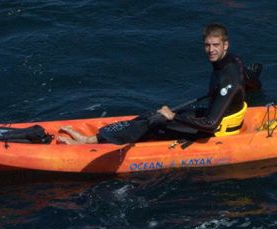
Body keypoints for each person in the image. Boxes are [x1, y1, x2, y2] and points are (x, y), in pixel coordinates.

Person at [59, 24, 248, 145]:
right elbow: (248, 78)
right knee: (153, 114)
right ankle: (96, 138)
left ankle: (91, 142)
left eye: (215, 45)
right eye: (207, 45)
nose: (211, 50)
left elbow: (210, 125)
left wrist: (173, 116)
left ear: (226, 45)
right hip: (214, 114)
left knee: (155, 122)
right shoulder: (235, 61)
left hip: (217, 132)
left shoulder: (227, 79)